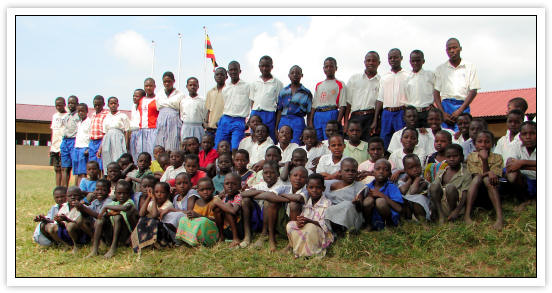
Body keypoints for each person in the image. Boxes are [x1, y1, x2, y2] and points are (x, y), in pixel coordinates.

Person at [433, 38, 480, 131]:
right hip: (446, 105)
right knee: (445, 136)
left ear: (460, 48)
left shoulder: (469, 66)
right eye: (449, 49)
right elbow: (436, 92)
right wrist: (442, 112)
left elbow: (473, 90)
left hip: (463, 105)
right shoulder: (440, 69)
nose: (452, 51)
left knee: (462, 134)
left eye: (454, 48)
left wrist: (460, 110)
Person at [286, 173, 333, 258]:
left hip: (321, 234)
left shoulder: (327, 204)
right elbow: (303, 219)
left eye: (318, 187)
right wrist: (300, 222)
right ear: (307, 188)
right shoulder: (307, 202)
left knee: (310, 227)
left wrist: (309, 221)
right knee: (290, 225)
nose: (314, 190)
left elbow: (325, 226)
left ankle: (308, 254)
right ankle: (298, 250)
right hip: (307, 230)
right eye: (311, 187)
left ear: (323, 188)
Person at [240, 161, 285, 249]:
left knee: (268, 202)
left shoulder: (281, 185)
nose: (268, 175)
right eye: (265, 173)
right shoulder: (262, 184)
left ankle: (264, 234)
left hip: (275, 219)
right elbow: (243, 194)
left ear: (278, 174)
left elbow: (270, 196)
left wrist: (257, 194)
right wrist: (262, 192)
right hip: (261, 217)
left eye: (272, 173)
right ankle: (247, 235)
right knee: (245, 200)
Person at [464, 130, 504, 230]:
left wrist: (485, 160)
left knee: (487, 180)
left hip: (493, 188)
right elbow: (476, 175)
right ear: (474, 144)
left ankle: (499, 218)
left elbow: (494, 177)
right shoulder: (471, 157)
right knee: (478, 178)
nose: (483, 144)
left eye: (487, 142)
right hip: (476, 190)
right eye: (480, 141)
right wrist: (487, 171)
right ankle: (467, 215)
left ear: (492, 143)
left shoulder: (498, 157)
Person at [372, 48, 409, 150]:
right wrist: (375, 119)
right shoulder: (384, 77)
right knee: (385, 139)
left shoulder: (408, 76)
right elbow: (380, 99)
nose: (393, 60)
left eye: (395, 57)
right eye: (390, 58)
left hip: (401, 112)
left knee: (401, 139)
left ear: (401, 58)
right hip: (387, 113)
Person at [353, 159, 403, 231]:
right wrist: (358, 202)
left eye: (385, 169)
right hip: (374, 220)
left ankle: (389, 225)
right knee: (368, 200)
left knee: (380, 201)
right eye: (378, 169)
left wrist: (381, 195)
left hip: (389, 218)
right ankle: (368, 225)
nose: (381, 171)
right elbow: (361, 207)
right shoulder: (367, 187)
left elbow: (399, 208)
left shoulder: (391, 187)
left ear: (390, 174)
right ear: (373, 172)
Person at [214, 61, 252, 151]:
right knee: (219, 146)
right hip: (225, 119)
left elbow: (252, 104)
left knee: (235, 147)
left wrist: (249, 121)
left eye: (235, 70)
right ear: (228, 72)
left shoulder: (247, 86)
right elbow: (226, 105)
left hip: (239, 120)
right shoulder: (225, 88)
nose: (233, 72)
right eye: (231, 70)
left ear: (240, 71)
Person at [430, 144, 471, 224]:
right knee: (434, 186)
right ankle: (440, 215)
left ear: (462, 157)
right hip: (441, 205)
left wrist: (457, 210)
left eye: (455, 156)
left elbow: (465, 193)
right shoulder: (442, 171)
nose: (452, 159)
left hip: (456, 205)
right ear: (445, 158)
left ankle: (452, 217)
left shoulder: (466, 173)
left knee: (450, 188)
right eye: (448, 157)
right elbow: (434, 189)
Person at [344, 51, 380, 140]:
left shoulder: (381, 81)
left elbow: (380, 104)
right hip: (355, 117)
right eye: (368, 60)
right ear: (364, 62)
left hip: (371, 118)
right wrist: (346, 123)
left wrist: (376, 121)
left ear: (379, 63)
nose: (371, 63)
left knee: (368, 145)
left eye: (374, 60)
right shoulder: (354, 78)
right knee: (352, 144)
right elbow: (348, 103)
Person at [310, 57, 347, 141]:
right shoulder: (319, 85)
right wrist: (311, 122)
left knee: (330, 140)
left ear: (336, 68)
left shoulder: (340, 84)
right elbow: (314, 105)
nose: (329, 69)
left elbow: (342, 106)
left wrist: (337, 122)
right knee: (318, 141)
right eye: (326, 67)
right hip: (318, 115)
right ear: (323, 69)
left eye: (331, 66)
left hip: (331, 113)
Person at [176, 177, 220, 246]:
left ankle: (202, 241)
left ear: (213, 189)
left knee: (203, 221)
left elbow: (216, 221)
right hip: (201, 226)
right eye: (202, 190)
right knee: (183, 219)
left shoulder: (215, 201)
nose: (205, 192)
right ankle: (186, 240)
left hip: (212, 230)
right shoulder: (196, 202)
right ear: (198, 191)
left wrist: (199, 216)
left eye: (208, 189)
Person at [325, 158, 366, 233]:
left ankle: (343, 231)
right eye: (347, 170)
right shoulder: (331, 185)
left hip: (351, 215)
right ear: (340, 172)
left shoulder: (360, 186)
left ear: (356, 173)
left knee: (347, 204)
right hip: (332, 212)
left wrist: (357, 203)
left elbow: (360, 207)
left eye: (353, 171)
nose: (350, 173)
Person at [131, 181, 174, 252]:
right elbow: (141, 213)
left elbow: (154, 215)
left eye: (162, 192)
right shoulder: (152, 203)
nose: (159, 194)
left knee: (153, 221)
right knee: (142, 219)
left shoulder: (168, 204)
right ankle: (143, 244)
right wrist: (149, 197)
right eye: (156, 192)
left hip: (164, 231)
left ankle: (157, 244)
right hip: (153, 230)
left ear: (168, 194)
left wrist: (153, 199)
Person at [250, 55, 284, 144]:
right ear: (259, 67)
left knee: (270, 139)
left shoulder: (277, 83)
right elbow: (252, 101)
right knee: (255, 139)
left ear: (271, 67)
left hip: (269, 114)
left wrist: (276, 126)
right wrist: (252, 116)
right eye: (262, 66)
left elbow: (279, 106)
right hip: (255, 113)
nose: (264, 68)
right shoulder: (254, 82)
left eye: (267, 66)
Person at [275, 65, 312, 144]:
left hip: (298, 122)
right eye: (292, 73)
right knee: (283, 144)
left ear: (301, 75)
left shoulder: (307, 93)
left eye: (298, 73)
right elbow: (279, 110)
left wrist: (308, 129)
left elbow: (309, 113)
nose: (295, 75)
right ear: (289, 75)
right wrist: (276, 128)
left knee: (296, 145)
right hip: (284, 120)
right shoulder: (283, 91)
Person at [505, 121, 537, 209]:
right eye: (524, 134)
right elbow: (510, 164)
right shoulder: (516, 146)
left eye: (532, 133)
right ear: (520, 137)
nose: (528, 137)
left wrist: (522, 163)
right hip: (525, 181)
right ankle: (525, 200)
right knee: (512, 173)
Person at [78, 179, 113, 258]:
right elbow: (88, 213)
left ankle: (95, 250)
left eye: (103, 190)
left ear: (109, 191)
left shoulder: (109, 201)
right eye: (97, 189)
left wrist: (83, 207)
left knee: (99, 221)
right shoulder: (95, 202)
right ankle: (99, 241)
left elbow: (99, 216)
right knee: (80, 219)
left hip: (108, 231)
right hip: (97, 229)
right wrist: (80, 208)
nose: (100, 192)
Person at [51, 186, 89, 253]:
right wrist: (59, 221)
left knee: (70, 225)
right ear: (66, 197)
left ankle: (76, 245)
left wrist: (66, 219)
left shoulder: (83, 206)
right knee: (53, 227)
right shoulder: (64, 206)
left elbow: (79, 223)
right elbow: (62, 223)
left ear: (81, 196)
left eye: (75, 195)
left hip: (80, 232)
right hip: (68, 231)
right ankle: (66, 244)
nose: (73, 197)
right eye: (70, 196)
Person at [98, 97, 130, 174]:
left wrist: (126, 144)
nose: (113, 105)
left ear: (118, 104)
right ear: (108, 105)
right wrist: (100, 148)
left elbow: (126, 131)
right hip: (107, 139)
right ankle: (108, 176)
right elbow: (104, 133)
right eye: (111, 103)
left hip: (119, 138)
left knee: (118, 157)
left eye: (114, 103)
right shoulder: (106, 117)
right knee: (107, 157)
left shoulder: (123, 116)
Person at [405, 50, 435, 128]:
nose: (415, 63)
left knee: (428, 134)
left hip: (427, 112)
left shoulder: (430, 75)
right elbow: (405, 96)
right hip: (413, 114)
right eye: (413, 61)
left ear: (423, 61)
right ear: (410, 62)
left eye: (418, 60)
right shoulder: (406, 77)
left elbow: (436, 92)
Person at [155, 71, 184, 152]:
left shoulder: (180, 94)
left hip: (174, 120)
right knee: (160, 143)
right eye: (165, 82)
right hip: (161, 120)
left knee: (173, 143)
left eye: (169, 81)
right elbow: (157, 107)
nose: (167, 83)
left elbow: (182, 110)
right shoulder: (159, 94)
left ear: (173, 81)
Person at [212, 173, 243, 247]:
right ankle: (221, 236)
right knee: (217, 209)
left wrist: (219, 203)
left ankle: (236, 238)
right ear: (223, 186)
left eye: (233, 184)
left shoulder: (240, 196)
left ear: (239, 186)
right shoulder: (223, 197)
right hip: (226, 227)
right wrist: (219, 198)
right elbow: (212, 207)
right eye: (227, 184)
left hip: (239, 227)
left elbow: (233, 211)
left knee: (228, 206)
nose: (230, 186)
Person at [397, 154, 430, 222]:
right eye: (411, 168)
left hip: (422, 209)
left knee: (417, 200)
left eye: (417, 166)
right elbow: (403, 190)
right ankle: (406, 219)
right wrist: (409, 180)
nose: (415, 170)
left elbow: (413, 192)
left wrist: (417, 179)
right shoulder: (403, 180)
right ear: (405, 170)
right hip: (409, 210)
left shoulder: (423, 180)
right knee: (401, 198)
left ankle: (423, 220)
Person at [136, 79, 159, 158]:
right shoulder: (141, 100)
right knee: (141, 153)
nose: (148, 88)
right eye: (146, 86)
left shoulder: (157, 99)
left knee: (152, 153)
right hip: (141, 130)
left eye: (151, 86)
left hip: (153, 129)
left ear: (154, 86)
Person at [180, 77, 207, 144]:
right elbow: (181, 114)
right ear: (187, 86)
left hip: (198, 127)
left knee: (198, 146)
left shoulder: (203, 100)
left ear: (198, 86)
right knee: (186, 147)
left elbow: (205, 115)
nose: (192, 87)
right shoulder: (183, 100)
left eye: (194, 85)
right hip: (186, 127)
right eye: (190, 85)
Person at [60, 95, 79, 187]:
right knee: (65, 167)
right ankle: (64, 188)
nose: (71, 105)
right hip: (65, 141)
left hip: (74, 141)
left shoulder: (78, 116)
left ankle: (75, 189)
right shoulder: (66, 116)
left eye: (73, 103)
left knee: (75, 167)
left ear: (77, 104)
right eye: (69, 103)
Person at [88, 95, 110, 172]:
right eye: (95, 105)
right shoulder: (93, 115)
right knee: (93, 165)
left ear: (103, 104)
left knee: (101, 165)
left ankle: (101, 182)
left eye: (99, 105)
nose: (97, 107)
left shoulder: (107, 114)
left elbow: (106, 131)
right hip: (92, 142)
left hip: (101, 141)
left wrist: (101, 146)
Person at [204, 67, 228, 137]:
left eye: (221, 74)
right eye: (217, 74)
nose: (219, 76)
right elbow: (208, 110)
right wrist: (205, 123)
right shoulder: (210, 92)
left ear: (226, 77)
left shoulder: (229, 91)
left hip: (224, 128)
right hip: (210, 128)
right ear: (214, 77)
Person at [73, 103, 92, 186]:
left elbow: (91, 136)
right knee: (77, 172)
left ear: (87, 111)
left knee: (83, 172)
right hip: (77, 147)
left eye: (82, 111)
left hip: (84, 148)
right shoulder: (79, 122)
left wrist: (88, 148)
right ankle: (77, 188)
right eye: (79, 111)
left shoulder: (89, 122)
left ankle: (82, 188)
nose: (80, 113)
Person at [50, 97, 67, 186]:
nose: (58, 107)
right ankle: (57, 188)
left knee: (63, 168)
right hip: (54, 146)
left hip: (63, 145)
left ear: (64, 104)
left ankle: (63, 189)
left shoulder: (67, 116)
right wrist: (51, 147)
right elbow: (53, 131)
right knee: (56, 168)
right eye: (56, 105)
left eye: (60, 105)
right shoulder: (55, 116)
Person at [129, 89, 144, 163]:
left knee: (140, 151)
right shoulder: (133, 106)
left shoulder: (143, 106)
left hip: (140, 131)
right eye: (133, 96)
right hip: (133, 132)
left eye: (137, 96)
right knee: (133, 153)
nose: (134, 98)